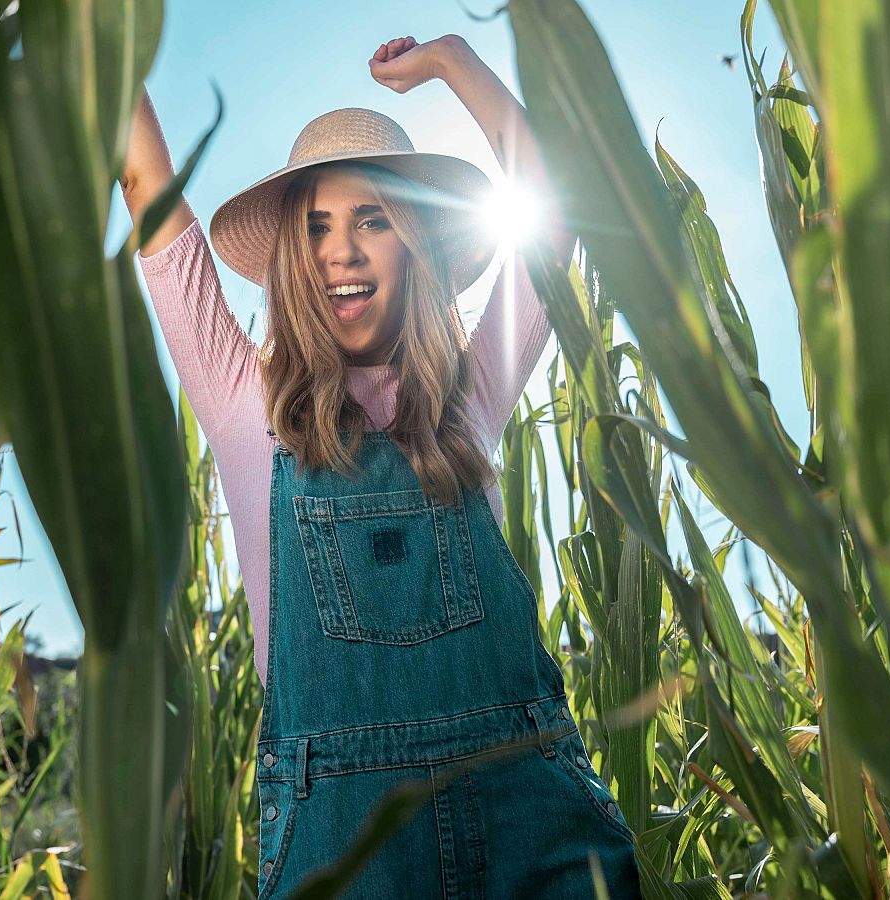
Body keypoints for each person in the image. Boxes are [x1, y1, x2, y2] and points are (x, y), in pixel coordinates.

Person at [120, 33, 641, 900]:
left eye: (373, 219)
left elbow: (560, 208)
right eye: (317, 225)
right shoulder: (243, 400)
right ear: (292, 253)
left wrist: (454, 64)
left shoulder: (469, 392)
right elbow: (146, 189)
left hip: (533, 824)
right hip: (343, 848)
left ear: (417, 239)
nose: (342, 250)